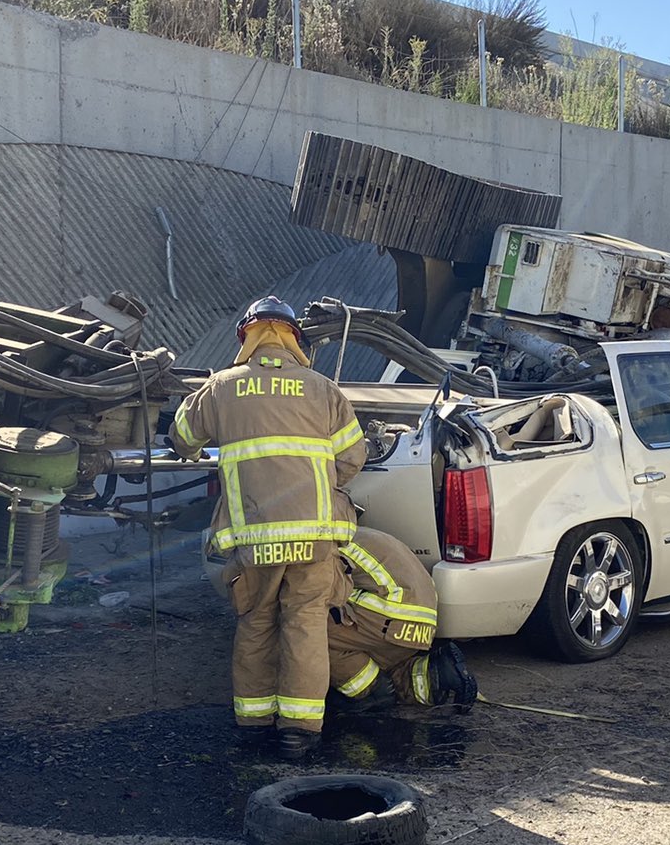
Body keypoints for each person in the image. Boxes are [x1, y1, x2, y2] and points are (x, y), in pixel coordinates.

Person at [171, 297, 367, 754]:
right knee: (305, 623)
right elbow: (353, 459)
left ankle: (254, 724)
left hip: (252, 540)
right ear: (294, 339)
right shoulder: (323, 389)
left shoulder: (220, 388)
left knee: (256, 621)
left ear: (247, 337)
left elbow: (182, 439)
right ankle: (299, 733)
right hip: (314, 537)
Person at [329, 527, 476, 713]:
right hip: (421, 626)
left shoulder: (322, 545)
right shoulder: (356, 534)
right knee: (377, 665)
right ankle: (436, 674)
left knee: (305, 628)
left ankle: (369, 691)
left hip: (392, 617)